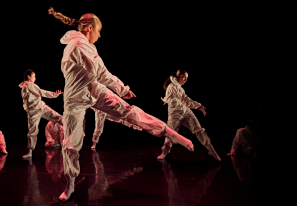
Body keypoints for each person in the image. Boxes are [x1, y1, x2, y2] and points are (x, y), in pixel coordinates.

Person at [48, 7, 194, 201]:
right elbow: (101, 72)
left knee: (129, 112)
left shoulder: (81, 44)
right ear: (89, 27)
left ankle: (170, 133)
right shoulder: (78, 45)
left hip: (93, 88)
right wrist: (122, 88)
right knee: (71, 144)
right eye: (98, 31)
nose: (99, 36)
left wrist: (120, 91)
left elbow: (96, 75)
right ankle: (71, 185)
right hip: (75, 97)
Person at [157, 70, 221, 161]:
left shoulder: (179, 87)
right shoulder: (172, 87)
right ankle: (164, 152)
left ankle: (211, 150)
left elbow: (185, 99)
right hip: (175, 115)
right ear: (178, 76)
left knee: (199, 130)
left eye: (187, 78)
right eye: (184, 77)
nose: (185, 80)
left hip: (186, 111)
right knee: (171, 134)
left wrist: (199, 106)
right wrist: (199, 106)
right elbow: (185, 100)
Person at [20, 69, 63, 159]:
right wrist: (54, 95)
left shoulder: (25, 87)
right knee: (32, 131)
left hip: (40, 107)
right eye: (34, 76)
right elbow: (42, 92)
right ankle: (30, 152)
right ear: (29, 77)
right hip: (34, 111)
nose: (35, 78)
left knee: (58, 117)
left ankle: (30, 152)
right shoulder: (29, 85)